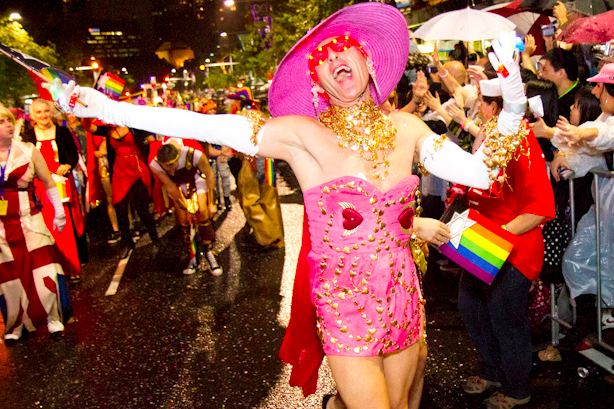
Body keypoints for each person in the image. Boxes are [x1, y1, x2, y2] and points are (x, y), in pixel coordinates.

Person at [50, 4, 528, 408]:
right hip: (345, 307)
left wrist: (512, 94)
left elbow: (482, 172)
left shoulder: (409, 130)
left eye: (348, 48)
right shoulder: (301, 137)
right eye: (324, 55)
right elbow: (208, 125)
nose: (337, 56)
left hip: (403, 298)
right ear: (317, 78)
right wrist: (109, 110)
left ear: (368, 63)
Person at [457, 78, 555, 408]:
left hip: (513, 247)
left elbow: (540, 208)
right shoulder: (495, 135)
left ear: (497, 106)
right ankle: (492, 370)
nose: (478, 109)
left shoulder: (522, 140)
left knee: (504, 317)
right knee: (471, 306)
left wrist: (497, 238)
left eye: (482, 103)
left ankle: (516, 389)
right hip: (482, 240)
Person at [0, 107, 71, 344]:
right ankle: (15, 324)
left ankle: (53, 318)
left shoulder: (28, 150)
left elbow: (49, 182)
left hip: (31, 220)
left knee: (45, 269)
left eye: (9, 120)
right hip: (1, 230)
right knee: (10, 279)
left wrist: (59, 213)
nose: (9, 125)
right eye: (2, 122)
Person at [23, 99, 85, 278]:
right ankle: (51, 269)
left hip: (60, 185)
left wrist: (66, 165)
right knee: (43, 227)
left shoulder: (63, 132)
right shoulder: (27, 136)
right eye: (39, 112)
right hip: (39, 188)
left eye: (46, 111)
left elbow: (73, 155)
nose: (43, 115)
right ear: (33, 115)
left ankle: (71, 267)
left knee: (64, 227)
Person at [82, 118, 160, 259]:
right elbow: (87, 127)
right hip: (120, 173)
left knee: (142, 208)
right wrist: (85, 113)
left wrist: (152, 154)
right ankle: (128, 243)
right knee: (120, 208)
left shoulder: (133, 126)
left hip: (136, 169)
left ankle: (155, 237)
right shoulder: (108, 131)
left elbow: (151, 138)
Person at [149, 139, 222, 276]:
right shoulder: (155, 164)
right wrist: (185, 207)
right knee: (184, 219)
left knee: (202, 211)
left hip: (196, 180)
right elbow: (170, 185)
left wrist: (211, 202)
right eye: (167, 167)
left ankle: (209, 250)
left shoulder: (193, 154)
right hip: (177, 186)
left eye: (173, 165)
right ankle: (192, 256)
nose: (171, 169)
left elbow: (209, 175)